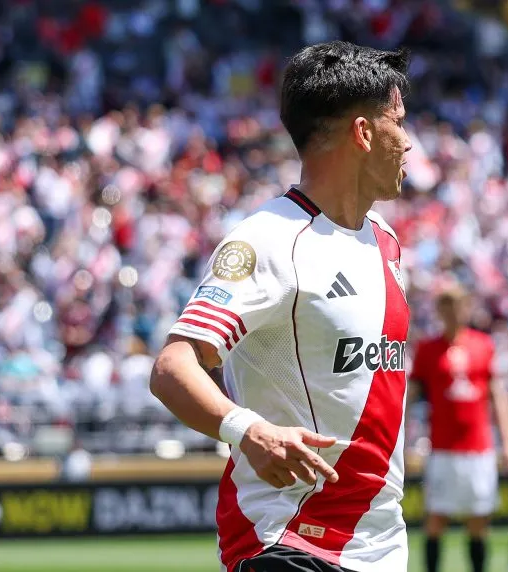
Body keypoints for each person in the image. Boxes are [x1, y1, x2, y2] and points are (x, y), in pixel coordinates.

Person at [149, 40, 413, 572]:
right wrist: (247, 430)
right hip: (287, 538)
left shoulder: (384, 239)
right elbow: (172, 366)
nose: (407, 143)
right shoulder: (270, 241)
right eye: (399, 122)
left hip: (379, 544)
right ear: (364, 133)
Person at [408, 284, 508, 572]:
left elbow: (497, 395)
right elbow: (411, 396)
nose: (453, 311)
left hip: (478, 448)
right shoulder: (428, 349)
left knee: (478, 521)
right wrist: (402, 441)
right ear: (439, 310)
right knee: (436, 519)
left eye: (458, 305)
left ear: (467, 308)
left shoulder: (483, 345)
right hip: (442, 448)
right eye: (446, 305)